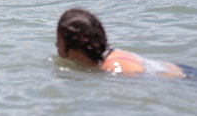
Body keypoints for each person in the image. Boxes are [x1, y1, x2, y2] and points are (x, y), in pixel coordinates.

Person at [56, 8, 192, 78]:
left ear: (73, 51)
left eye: (58, 40)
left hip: (185, 81)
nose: (56, 45)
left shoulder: (114, 68)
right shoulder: (109, 56)